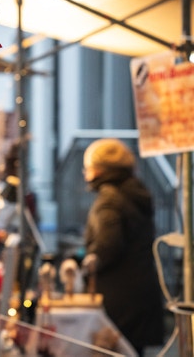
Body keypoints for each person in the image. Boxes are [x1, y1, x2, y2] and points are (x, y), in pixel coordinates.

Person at [82, 138, 164, 356]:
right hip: (140, 292)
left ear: (98, 169)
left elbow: (107, 246)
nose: (85, 172)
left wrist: (87, 262)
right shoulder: (136, 192)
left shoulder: (109, 199)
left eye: (87, 167)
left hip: (118, 298)